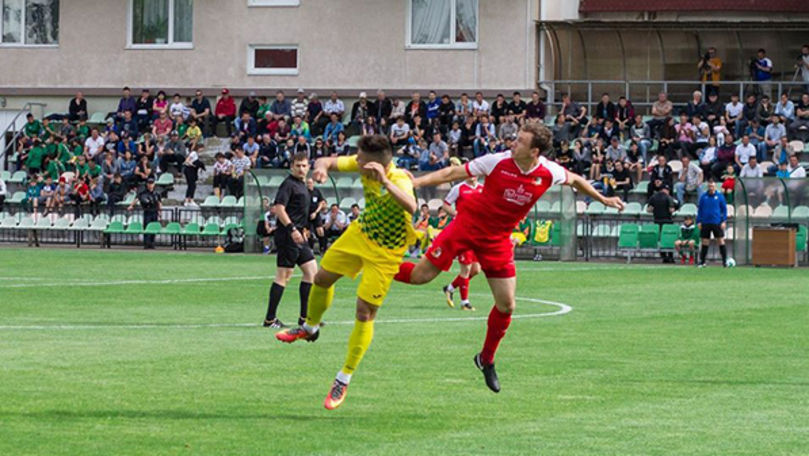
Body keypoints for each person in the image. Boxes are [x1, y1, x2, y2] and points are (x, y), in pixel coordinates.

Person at [391, 123, 624, 393]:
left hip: (498, 239)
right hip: (467, 225)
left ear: (534, 151)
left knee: (507, 305)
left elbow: (574, 179)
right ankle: (375, 263)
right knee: (421, 276)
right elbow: (453, 171)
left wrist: (602, 198)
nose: (513, 143)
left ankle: (486, 359)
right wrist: (415, 182)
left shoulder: (548, 170)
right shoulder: (497, 161)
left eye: (520, 141)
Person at [274, 135, 418, 411]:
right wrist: (322, 168)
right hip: (360, 234)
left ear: (377, 165)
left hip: (386, 252)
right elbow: (327, 160)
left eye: (361, 158)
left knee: (364, 312)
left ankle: (344, 377)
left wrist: (386, 183)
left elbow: (411, 206)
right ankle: (310, 328)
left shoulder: (399, 179)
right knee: (321, 278)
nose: (356, 160)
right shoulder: (362, 162)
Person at [262, 152, 317, 329]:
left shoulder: (303, 186)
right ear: (291, 167)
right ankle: (270, 319)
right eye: (298, 165)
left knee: (312, 272)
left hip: (300, 236)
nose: (301, 169)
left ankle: (304, 318)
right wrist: (292, 228)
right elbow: (279, 208)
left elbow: (301, 211)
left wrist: (305, 228)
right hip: (288, 235)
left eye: (304, 165)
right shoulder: (288, 185)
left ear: (308, 167)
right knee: (284, 275)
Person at [440, 175, 483, 311]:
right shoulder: (458, 188)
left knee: (476, 269)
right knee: (466, 268)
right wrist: (457, 214)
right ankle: (465, 303)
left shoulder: (483, 188)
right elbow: (445, 205)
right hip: (463, 232)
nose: (473, 176)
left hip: (477, 233)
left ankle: (450, 288)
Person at [696, 181, 728, 267]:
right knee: (705, 241)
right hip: (705, 222)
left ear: (715, 187)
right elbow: (700, 209)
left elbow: (724, 210)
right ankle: (702, 261)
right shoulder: (703, 197)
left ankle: (725, 261)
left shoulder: (720, 197)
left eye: (712, 186)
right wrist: (698, 221)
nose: (711, 188)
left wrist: (724, 221)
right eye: (709, 186)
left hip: (716, 222)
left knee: (720, 241)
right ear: (707, 187)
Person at [127, 177, 161, 249]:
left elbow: (159, 203)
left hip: (154, 211)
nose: (150, 185)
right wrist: (131, 205)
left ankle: (152, 243)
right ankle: (146, 243)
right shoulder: (143, 193)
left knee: (153, 228)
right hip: (147, 211)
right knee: (147, 227)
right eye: (149, 183)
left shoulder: (157, 193)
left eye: (152, 183)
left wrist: (160, 211)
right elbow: (136, 199)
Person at [647, 185, 677, 263]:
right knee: (669, 239)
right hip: (667, 222)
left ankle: (664, 257)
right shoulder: (668, 198)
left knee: (660, 239)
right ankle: (670, 256)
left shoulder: (653, 197)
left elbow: (649, 210)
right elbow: (671, 210)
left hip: (657, 221)